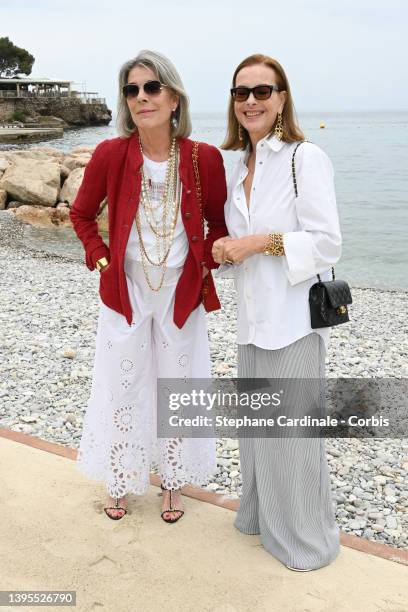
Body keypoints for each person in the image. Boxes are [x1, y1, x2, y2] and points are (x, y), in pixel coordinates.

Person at [70, 50, 227, 521]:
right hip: (125, 292)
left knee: (177, 388)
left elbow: (217, 223)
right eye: (132, 90)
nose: (141, 98)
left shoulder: (205, 158)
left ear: (174, 97)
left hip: (181, 293)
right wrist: (100, 259)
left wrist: (209, 259)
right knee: (123, 385)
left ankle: (173, 483)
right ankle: (120, 478)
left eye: (152, 87)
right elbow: (81, 215)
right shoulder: (110, 154)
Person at [212, 54, 342, 570]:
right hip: (251, 318)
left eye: (262, 92)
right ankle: (263, 519)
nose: (250, 101)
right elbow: (231, 242)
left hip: (291, 321)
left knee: (293, 436)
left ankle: (306, 542)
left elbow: (328, 243)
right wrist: (225, 249)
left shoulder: (303, 157)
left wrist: (257, 243)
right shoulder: (235, 164)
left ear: (282, 97)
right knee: (259, 430)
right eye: (241, 92)